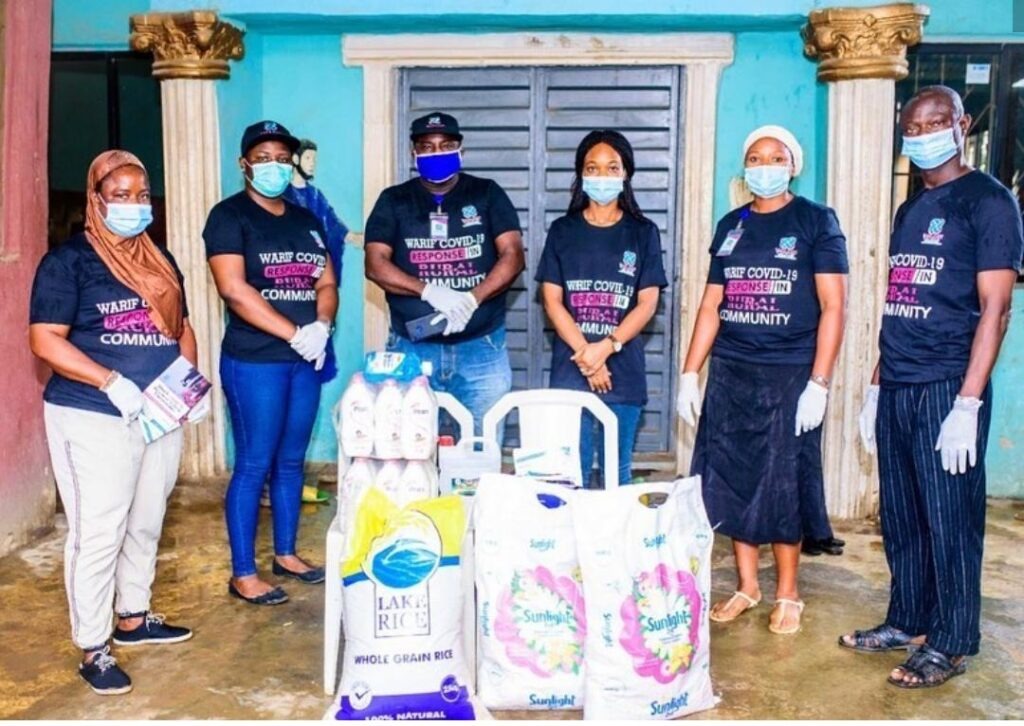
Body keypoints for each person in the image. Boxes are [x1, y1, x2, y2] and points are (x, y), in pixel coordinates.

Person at [840, 86, 1023, 688]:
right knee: (902, 516)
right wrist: (876, 383)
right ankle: (908, 620)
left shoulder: (988, 202)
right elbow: (902, 300)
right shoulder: (910, 208)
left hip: (948, 385)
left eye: (936, 122)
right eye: (913, 127)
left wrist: (967, 402)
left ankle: (951, 640)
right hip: (899, 381)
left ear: (962, 125)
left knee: (950, 520)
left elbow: (996, 309)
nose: (923, 134)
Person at [29, 150, 204, 695]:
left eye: (142, 195)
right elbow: (45, 340)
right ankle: (93, 646)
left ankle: (133, 616)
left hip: (158, 414)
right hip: (92, 413)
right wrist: (110, 382)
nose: (134, 204)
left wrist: (186, 387)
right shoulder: (68, 263)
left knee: (147, 519)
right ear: (97, 200)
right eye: (120, 195)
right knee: (99, 530)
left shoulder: (159, 258)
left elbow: (181, 329)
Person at [677, 125, 849, 635]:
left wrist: (819, 382)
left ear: (792, 166)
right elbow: (712, 304)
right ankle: (747, 585)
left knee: (782, 481)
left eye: (776, 157)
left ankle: (788, 592)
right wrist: (689, 372)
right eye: (755, 157)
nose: (765, 166)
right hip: (732, 370)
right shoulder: (732, 225)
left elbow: (833, 306)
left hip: (789, 372)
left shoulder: (816, 221)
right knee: (734, 477)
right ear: (744, 166)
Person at [203, 120, 339, 605]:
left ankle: (286, 553)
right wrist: (293, 333)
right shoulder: (229, 216)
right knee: (255, 462)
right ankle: (243, 573)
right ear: (244, 164)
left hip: (305, 360)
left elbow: (326, 281)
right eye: (263, 158)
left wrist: (321, 326)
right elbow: (233, 289)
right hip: (255, 361)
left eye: (282, 158)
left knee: (291, 460)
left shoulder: (306, 219)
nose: (274, 167)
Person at [364, 112, 524, 431]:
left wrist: (471, 299)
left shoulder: (487, 193)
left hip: (482, 349)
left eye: (446, 145)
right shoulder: (393, 200)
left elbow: (513, 255)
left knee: (482, 445)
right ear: (414, 153)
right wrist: (429, 291)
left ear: (461, 150)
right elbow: (375, 264)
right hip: (413, 347)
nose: (437, 153)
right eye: (427, 147)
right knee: (412, 444)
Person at [535, 130, 667, 486]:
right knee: (569, 472)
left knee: (616, 471)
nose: (602, 176)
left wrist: (605, 348)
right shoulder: (562, 230)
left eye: (612, 167)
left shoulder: (643, 232)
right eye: (592, 168)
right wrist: (587, 355)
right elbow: (552, 300)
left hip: (623, 370)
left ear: (626, 174)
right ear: (581, 174)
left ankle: (614, 527)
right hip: (572, 368)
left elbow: (647, 303)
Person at [284, 137, 350, 504]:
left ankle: (290, 479)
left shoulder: (314, 196)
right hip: (286, 308)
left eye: (315, 158)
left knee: (304, 403)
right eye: (308, 157)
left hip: (317, 308)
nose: (312, 164)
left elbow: (334, 230)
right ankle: (274, 482)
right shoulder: (284, 200)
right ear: (294, 159)